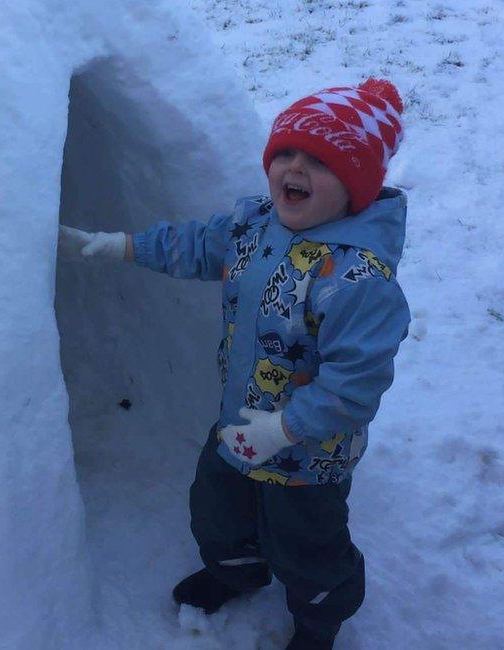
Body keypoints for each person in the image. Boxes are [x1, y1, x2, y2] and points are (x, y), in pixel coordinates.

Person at [59, 78, 411, 650]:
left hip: (307, 456)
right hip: (239, 425)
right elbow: (195, 245)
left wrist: (283, 430)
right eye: (287, 153)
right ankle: (236, 570)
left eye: (320, 161)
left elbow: (356, 386)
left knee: (307, 545)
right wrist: (118, 245)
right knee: (216, 511)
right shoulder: (255, 227)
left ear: (356, 186)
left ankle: (320, 618)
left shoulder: (358, 281)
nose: (295, 168)